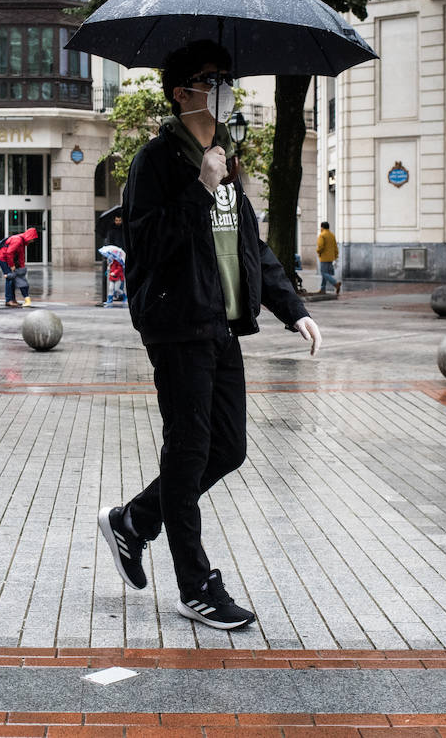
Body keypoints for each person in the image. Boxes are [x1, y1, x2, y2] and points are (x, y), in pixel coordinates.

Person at [98, 40, 321, 631]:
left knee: (229, 448)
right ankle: (195, 585)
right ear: (181, 92)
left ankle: (134, 521)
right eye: (211, 79)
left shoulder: (226, 160)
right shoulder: (157, 162)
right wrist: (198, 186)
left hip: (222, 325)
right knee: (190, 448)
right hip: (177, 326)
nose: (224, 89)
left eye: (227, 79)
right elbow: (148, 244)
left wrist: (290, 307)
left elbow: (248, 247)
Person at [0, 227, 38, 308]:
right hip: (2, 258)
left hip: (6, 258)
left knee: (13, 279)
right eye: (33, 239)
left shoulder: (22, 241)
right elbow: (9, 253)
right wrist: (12, 265)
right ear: (30, 236)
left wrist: (22, 267)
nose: (33, 241)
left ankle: (12, 299)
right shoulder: (18, 240)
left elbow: (21, 256)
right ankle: (9, 300)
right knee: (10, 278)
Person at [316, 221, 340, 294]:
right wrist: (335, 256)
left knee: (324, 273)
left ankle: (335, 283)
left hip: (324, 257)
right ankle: (323, 289)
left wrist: (318, 251)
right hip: (331, 257)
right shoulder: (332, 235)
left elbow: (320, 246)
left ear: (322, 227)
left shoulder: (322, 235)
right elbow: (335, 247)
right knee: (326, 273)